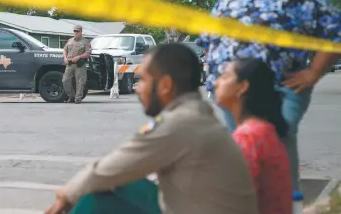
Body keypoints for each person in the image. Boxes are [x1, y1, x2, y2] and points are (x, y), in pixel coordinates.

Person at [195, 0, 341, 191]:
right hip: (233, 96)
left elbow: (335, 35)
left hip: (279, 91)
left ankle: (284, 203)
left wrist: (314, 72)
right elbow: (208, 41)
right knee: (246, 156)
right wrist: (217, 73)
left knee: (273, 147)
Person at [45, 43, 258, 214]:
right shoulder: (196, 114)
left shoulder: (180, 123)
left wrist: (67, 193)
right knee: (113, 184)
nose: (137, 88)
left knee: (95, 194)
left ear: (165, 85)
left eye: (143, 80)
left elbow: (111, 168)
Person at [214, 58, 293, 214]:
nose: (216, 83)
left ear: (242, 87)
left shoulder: (248, 137)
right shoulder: (263, 130)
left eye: (224, 77)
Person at [62, 25, 91, 104]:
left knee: (80, 82)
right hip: (70, 63)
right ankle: (71, 96)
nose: (76, 32)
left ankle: (78, 98)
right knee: (65, 80)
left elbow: (88, 53)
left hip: (79, 64)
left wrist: (79, 57)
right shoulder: (70, 40)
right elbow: (65, 50)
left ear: (81, 32)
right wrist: (65, 58)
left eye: (77, 31)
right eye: (74, 31)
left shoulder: (85, 42)